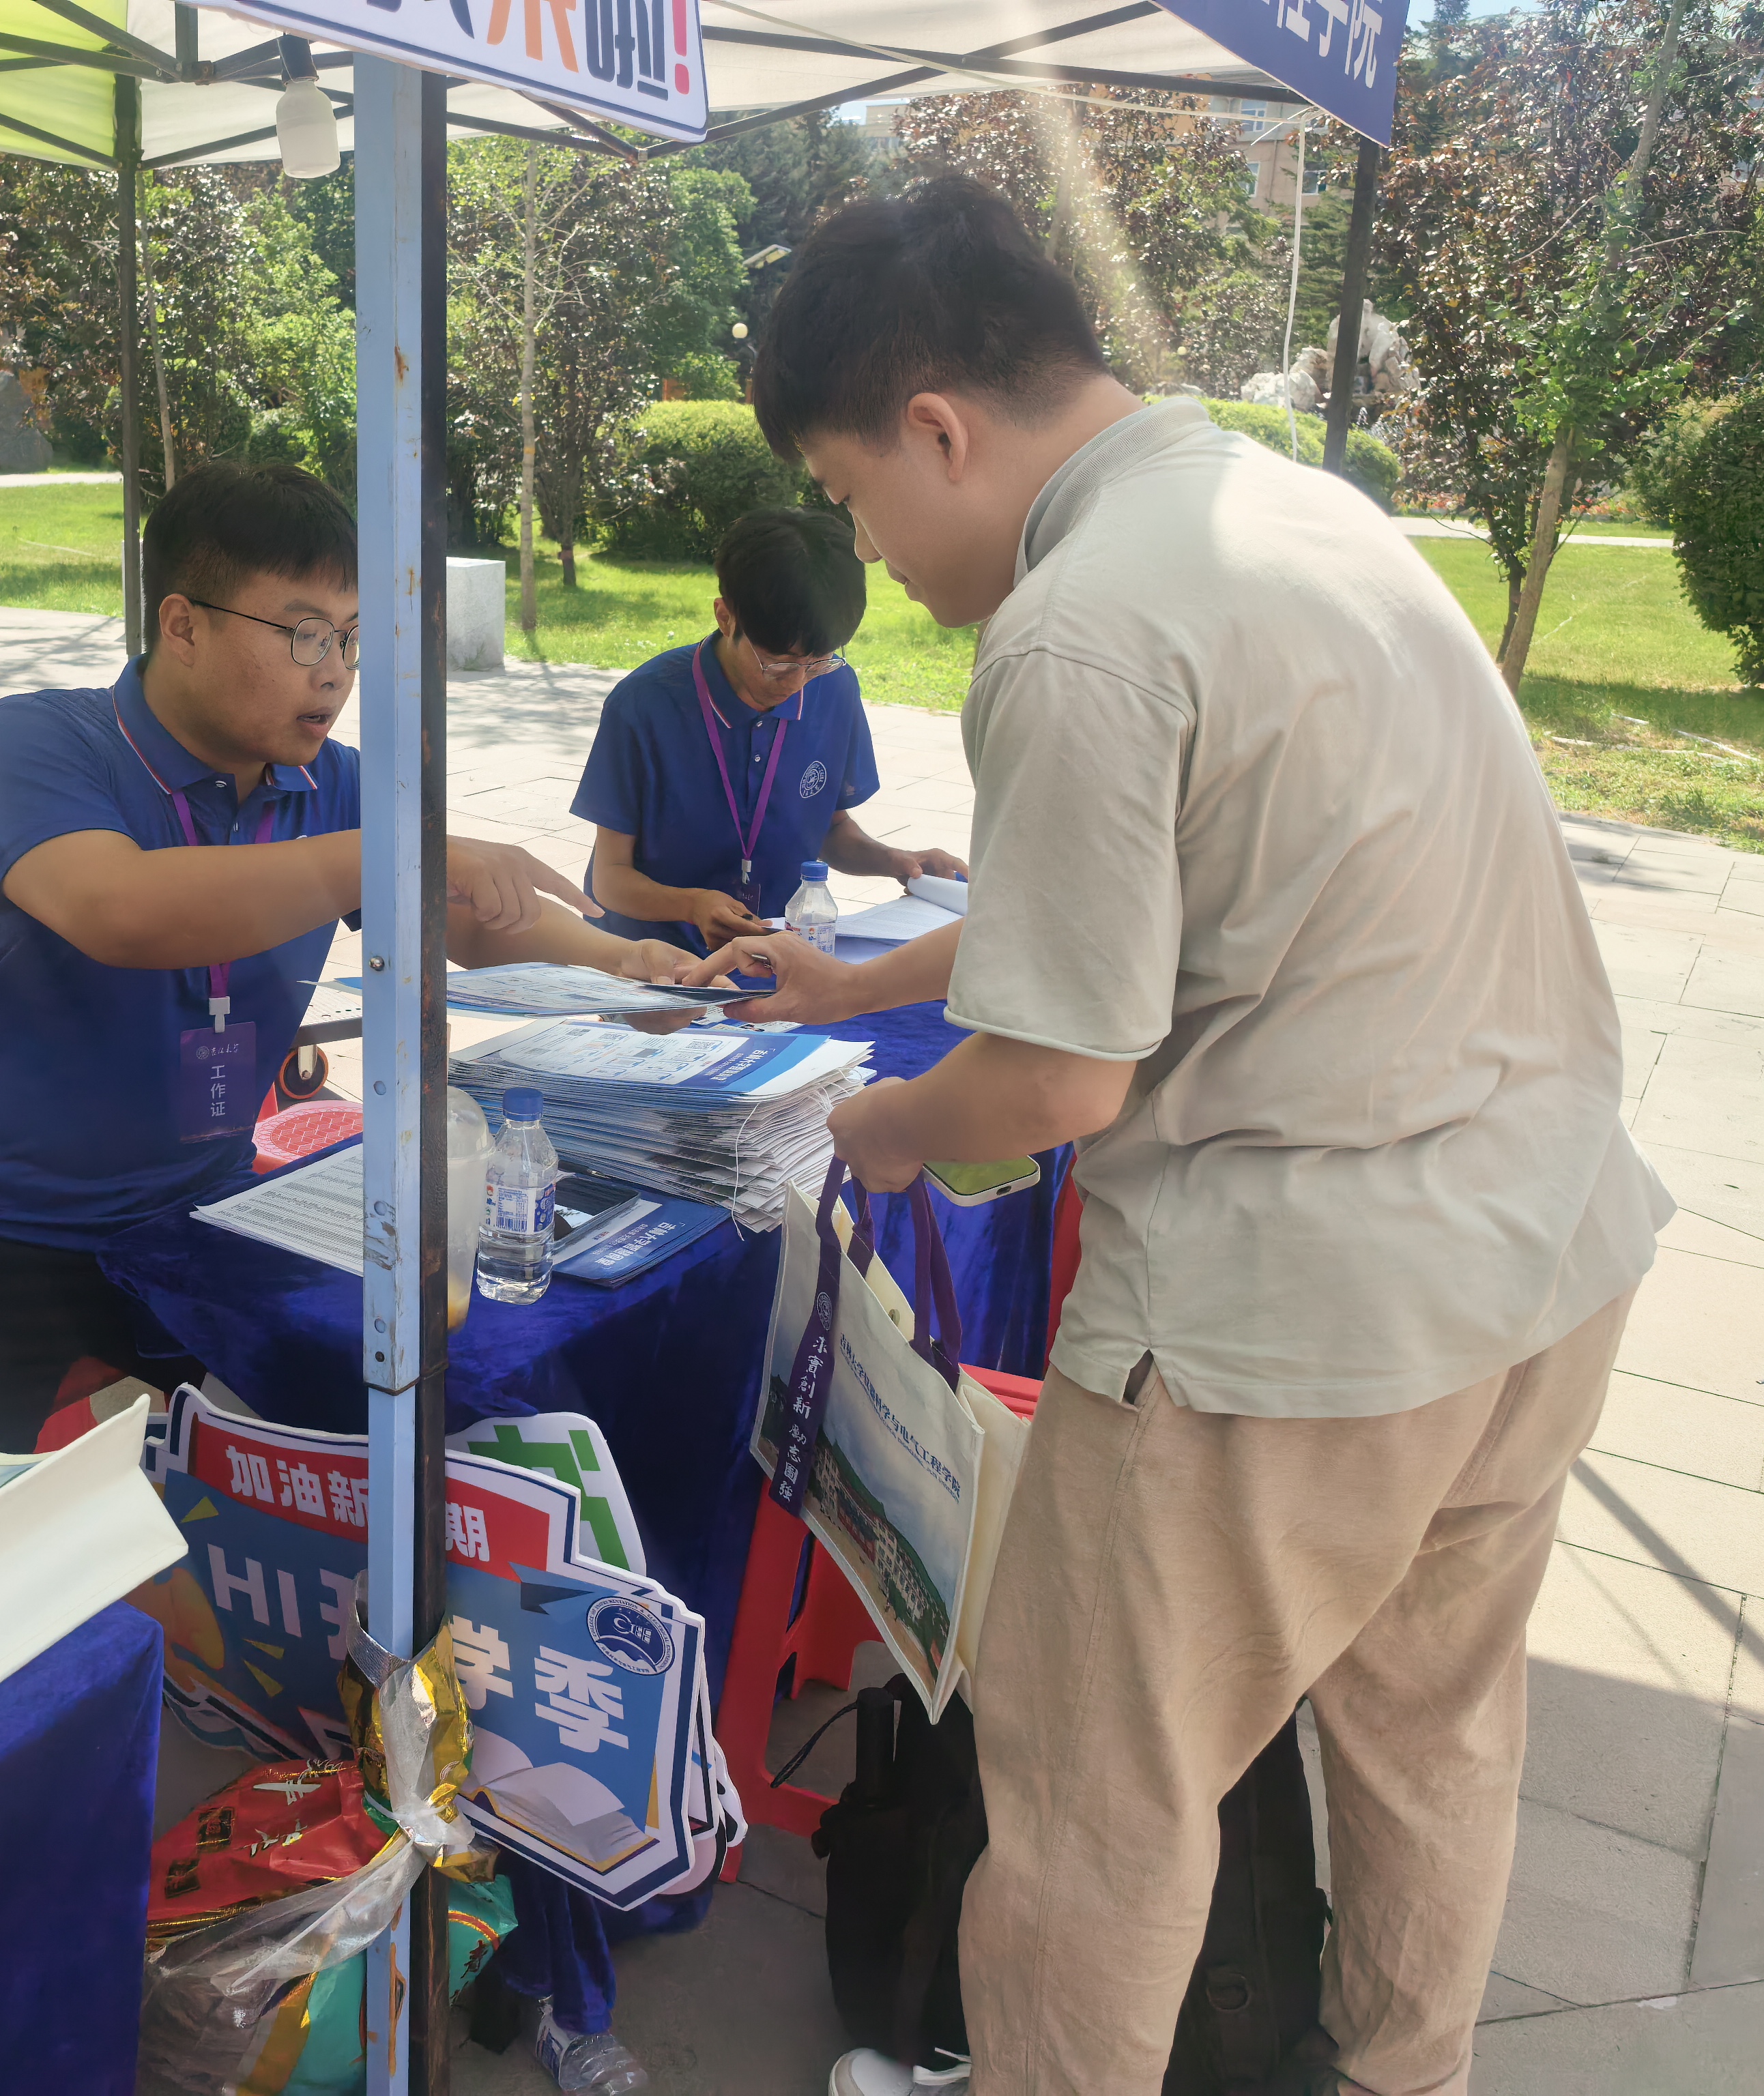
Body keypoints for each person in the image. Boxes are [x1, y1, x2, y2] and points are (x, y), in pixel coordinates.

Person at [689, 183, 1669, 2096]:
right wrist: (852, 981)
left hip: (1291, 1326)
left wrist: (887, 1123)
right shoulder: (1298, 515)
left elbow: (1057, 1083)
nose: (869, 549)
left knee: (1094, 1804)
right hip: (1543, 1257)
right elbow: (1165, 886)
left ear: (937, 430)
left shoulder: (1075, 628)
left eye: (853, 494)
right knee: (1436, 1736)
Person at [0, 462, 691, 1453]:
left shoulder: (338, 787)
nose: (334, 672)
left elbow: (467, 921)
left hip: (201, 1207)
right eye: (303, 635)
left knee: (425, 1428)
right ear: (184, 624)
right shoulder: (39, 742)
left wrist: (621, 964)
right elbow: (118, 911)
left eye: (352, 638)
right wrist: (380, 853)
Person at [573, 506, 964, 955]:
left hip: (771, 955)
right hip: (652, 962)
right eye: (778, 664)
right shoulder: (644, 705)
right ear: (726, 618)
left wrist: (899, 863)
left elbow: (830, 830)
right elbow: (610, 879)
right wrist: (692, 906)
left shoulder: (834, 687)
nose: (797, 684)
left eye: (817, 662)